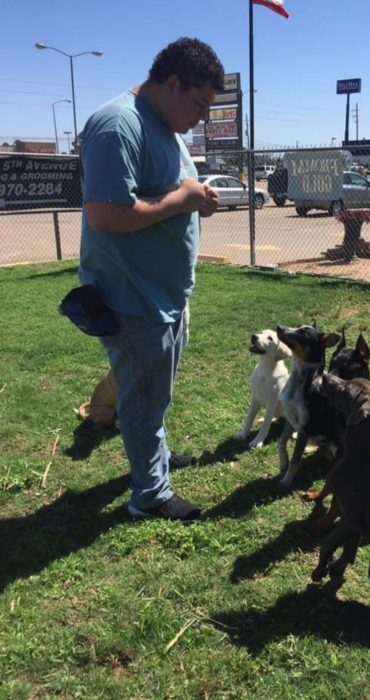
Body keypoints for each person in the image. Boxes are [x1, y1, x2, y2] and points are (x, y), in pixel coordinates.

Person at [78, 38, 225, 522]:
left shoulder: (166, 127)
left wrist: (197, 196)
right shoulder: (117, 124)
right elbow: (104, 215)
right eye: (199, 104)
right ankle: (150, 495)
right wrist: (182, 203)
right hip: (133, 295)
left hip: (166, 294)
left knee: (154, 393)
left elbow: (169, 191)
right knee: (141, 399)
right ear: (173, 83)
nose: (201, 117)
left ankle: (154, 461)